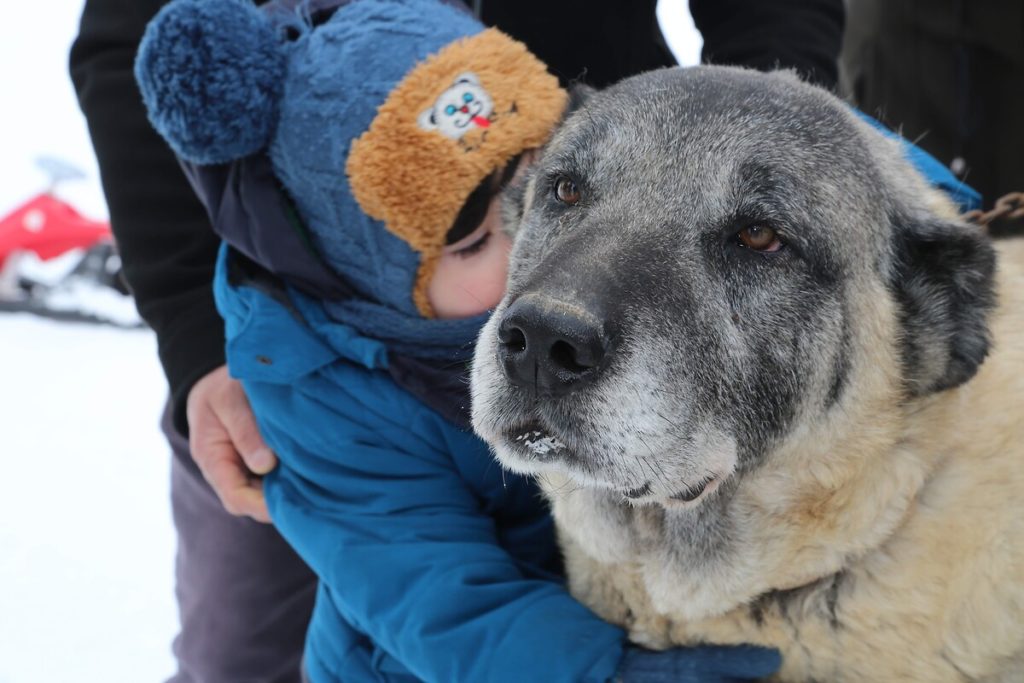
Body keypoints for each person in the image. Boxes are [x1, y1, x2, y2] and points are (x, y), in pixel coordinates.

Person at [71, 0, 845, 680]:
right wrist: (197, 340)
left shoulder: (521, 282)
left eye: (542, 200)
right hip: (431, 621)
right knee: (240, 645)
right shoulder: (332, 412)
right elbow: (441, 599)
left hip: (618, 187)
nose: (536, 249)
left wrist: (789, 165)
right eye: (481, 239)